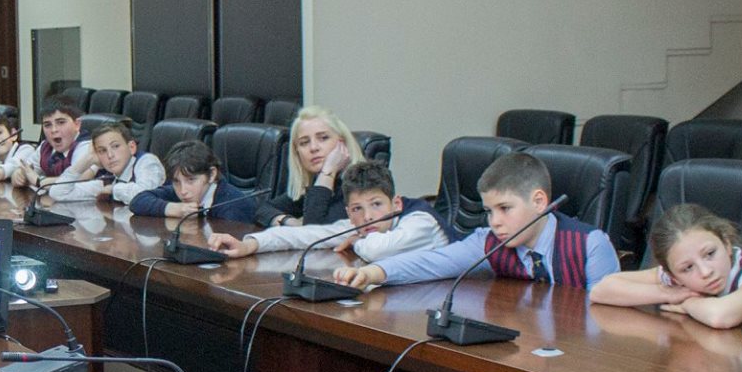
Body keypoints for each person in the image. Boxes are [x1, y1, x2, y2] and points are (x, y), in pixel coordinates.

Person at [332, 151, 616, 290]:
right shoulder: (489, 242)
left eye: (505, 208)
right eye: (489, 211)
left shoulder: (590, 245)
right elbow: (432, 262)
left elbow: (609, 318)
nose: (495, 222)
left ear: (540, 202)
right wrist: (373, 273)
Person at [590, 204, 742, 327]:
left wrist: (686, 303)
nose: (706, 271)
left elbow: (721, 316)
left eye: (710, 254)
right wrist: (668, 294)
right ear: (673, 276)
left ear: (727, 243)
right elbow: (601, 290)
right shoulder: (677, 278)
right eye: (688, 268)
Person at [208, 161, 447, 263]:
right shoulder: (358, 226)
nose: (367, 217)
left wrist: (356, 242)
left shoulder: (421, 220)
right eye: (357, 209)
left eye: (376, 204)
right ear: (348, 212)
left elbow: (377, 250)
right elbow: (303, 235)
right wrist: (249, 245)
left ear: (396, 204)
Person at [260, 106, 364, 226]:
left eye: (323, 138)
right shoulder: (317, 182)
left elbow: (314, 229)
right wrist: (288, 221)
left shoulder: (361, 183)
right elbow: (264, 209)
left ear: (343, 143)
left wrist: (327, 173)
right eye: (304, 142)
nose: (313, 148)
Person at [128, 139, 260, 221]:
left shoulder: (234, 206)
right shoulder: (181, 191)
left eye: (191, 180)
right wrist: (174, 209)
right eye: (176, 181)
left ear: (211, 174)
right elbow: (138, 201)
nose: (183, 191)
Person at [46, 117, 164, 204]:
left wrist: (113, 189)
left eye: (116, 146)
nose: (110, 155)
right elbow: (58, 193)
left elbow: (144, 195)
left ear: (131, 147)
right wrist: (87, 159)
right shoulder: (109, 179)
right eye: (102, 151)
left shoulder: (147, 161)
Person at [8, 95, 90, 189]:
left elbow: (77, 179)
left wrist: (39, 181)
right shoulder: (45, 147)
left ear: (77, 125)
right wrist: (18, 174)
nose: (54, 130)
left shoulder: (86, 147)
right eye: (47, 125)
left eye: (61, 122)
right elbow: (26, 169)